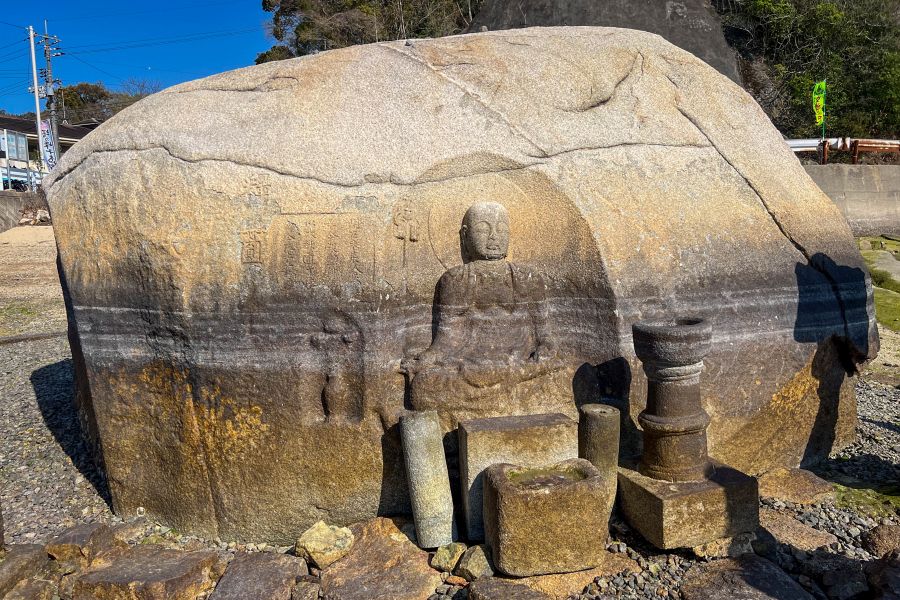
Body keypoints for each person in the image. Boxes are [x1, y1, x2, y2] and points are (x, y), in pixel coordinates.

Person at [402, 201, 563, 427]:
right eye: (483, 229)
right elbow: (446, 341)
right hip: (470, 366)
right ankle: (507, 401)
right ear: (465, 236)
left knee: (570, 378)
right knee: (423, 388)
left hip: (518, 363)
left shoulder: (528, 278)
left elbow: (545, 335)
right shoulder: (455, 280)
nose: (493, 237)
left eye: (501, 229)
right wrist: (427, 358)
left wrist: (545, 352)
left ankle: (492, 402)